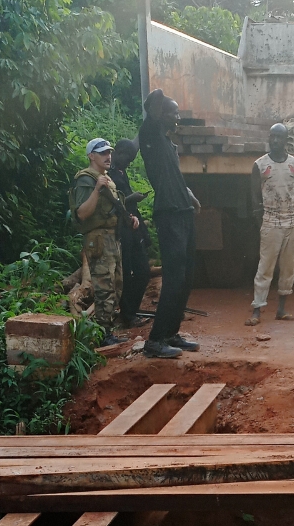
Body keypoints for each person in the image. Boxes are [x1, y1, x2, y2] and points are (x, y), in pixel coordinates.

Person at [138, 89, 199, 358]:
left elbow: (174, 179)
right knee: (174, 279)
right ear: (159, 115)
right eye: (172, 112)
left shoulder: (168, 146)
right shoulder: (150, 137)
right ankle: (155, 341)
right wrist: (160, 101)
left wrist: (189, 195)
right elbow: (152, 105)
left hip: (183, 212)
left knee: (186, 278)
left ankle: (172, 333)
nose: (177, 117)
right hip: (169, 215)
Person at [69, 138, 138, 346]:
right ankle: (102, 335)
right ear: (91, 156)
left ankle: (106, 331)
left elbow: (111, 210)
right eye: (102, 153)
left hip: (112, 238)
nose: (108, 156)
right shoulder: (86, 179)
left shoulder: (106, 178)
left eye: (109, 152)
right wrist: (97, 189)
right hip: (98, 240)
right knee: (104, 288)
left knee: (116, 285)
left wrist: (129, 220)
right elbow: (82, 213)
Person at [247, 123, 294, 326]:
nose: (275, 141)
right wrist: (259, 219)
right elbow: (254, 196)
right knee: (265, 267)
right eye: (272, 136)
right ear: (269, 138)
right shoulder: (260, 165)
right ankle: (257, 309)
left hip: (292, 220)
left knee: (288, 267)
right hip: (271, 220)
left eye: (279, 137)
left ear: (286, 140)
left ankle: (282, 309)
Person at [108, 138, 153, 327]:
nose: (129, 161)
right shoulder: (108, 175)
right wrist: (129, 199)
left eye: (132, 158)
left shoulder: (121, 172)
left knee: (143, 271)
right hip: (121, 230)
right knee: (125, 272)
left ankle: (130, 311)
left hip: (133, 228)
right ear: (117, 152)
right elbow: (111, 204)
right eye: (127, 156)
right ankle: (128, 314)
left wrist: (144, 233)